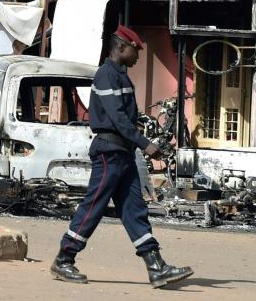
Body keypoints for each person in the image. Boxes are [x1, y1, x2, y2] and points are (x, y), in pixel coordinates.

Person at [50, 25, 193, 288]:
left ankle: (156, 266)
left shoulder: (121, 76)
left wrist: (143, 140)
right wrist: (145, 144)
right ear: (120, 47)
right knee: (93, 206)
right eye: (135, 50)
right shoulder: (106, 76)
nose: (138, 55)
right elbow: (116, 119)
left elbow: (127, 117)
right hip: (110, 153)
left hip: (123, 153)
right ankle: (64, 258)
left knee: (134, 210)